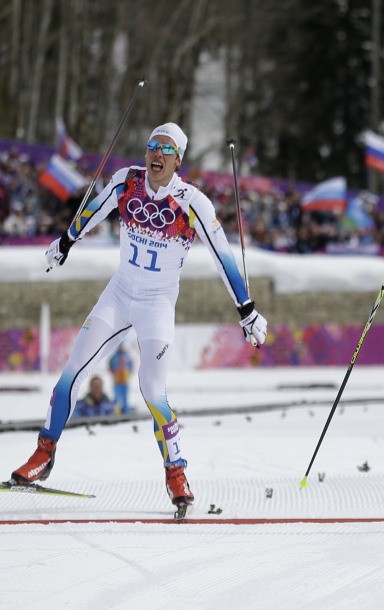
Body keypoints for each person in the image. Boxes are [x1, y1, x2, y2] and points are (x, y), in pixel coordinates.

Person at [10, 123, 268, 516]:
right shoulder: (126, 182)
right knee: (71, 373)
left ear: (178, 159)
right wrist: (65, 243)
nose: (156, 154)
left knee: (152, 390)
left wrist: (247, 311)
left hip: (156, 305)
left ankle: (176, 474)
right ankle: (44, 455)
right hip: (119, 295)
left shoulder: (191, 201)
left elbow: (224, 257)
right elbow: (93, 211)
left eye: (165, 149)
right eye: (152, 146)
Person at [108, 345, 133, 414]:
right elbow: (110, 366)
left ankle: (126, 411)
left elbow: (131, 366)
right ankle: (116, 411)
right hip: (117, 381)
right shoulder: (114, 357)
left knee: (125, 397)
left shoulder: (127, 357)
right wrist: (114, 373)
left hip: (125, 381)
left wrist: (128, 374)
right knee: (117, 397)